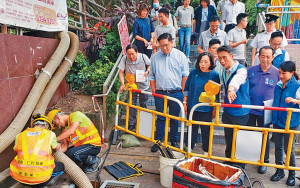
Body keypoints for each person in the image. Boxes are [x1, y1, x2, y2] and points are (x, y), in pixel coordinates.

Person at [149, 33, 189, 152]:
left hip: (176, 92)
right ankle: (159, 141)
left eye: (166, 45)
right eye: (161, 46)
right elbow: (151, 76)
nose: (164, 48)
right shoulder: (155, 57)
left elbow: (185, 75)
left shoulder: (180, 56)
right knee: (160, 117)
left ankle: (173, 141)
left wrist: (182, 91)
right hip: (160, 93)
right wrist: (154, 91)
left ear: (172, 42)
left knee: (174, 118)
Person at [247, 46, 280, 174]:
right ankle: (249, 158)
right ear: (258, 56)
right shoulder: (250, 71)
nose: (265, 59)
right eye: (263, 56)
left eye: (268, 57)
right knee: (249, 134)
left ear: (272, 58)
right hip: (250, 109)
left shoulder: (277, 72)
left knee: (264, 137)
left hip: (266, 111)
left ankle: (264, 161)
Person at [217, 46, 250, 167]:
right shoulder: (224, 70)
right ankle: (230, 159)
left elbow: (236, 80)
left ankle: (240, 164)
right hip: (228, 111)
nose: (222, 61)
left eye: (224, 57)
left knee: (239, 139)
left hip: (240, 112)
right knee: (229, 137)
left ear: (232, 56)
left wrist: (231, 89)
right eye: (220, 58)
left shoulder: (241, 70)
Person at [10, 114, 64, 187]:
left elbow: (16, 153)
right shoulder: (50, 134)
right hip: (41, 180)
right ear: (46, 125)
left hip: (21, 178)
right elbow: (56, 148)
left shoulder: (19, 135)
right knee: (61, 166)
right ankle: (47, 185)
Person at [270, 61, 300, 186]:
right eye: (280, 72)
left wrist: (295, 101)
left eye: (284, 73)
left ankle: (292, 173)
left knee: (289, 149)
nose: (281, 75)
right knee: (278, 147)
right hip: (278, 121)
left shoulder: (297, 85)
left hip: (291, 123)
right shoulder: (278, 84)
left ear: (292, 73)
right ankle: (279, 171)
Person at [183, 52, 220, 153]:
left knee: (206, 130)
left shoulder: (214, 75)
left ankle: (206, 150)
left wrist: (214, 109)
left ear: (210, 63)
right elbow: (186, 87)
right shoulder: (193, 73)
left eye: (205, 62)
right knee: (191, 127)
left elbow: (216, 94)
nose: (203, 64)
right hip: (192, 105)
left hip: (206, 108)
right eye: (201, 62)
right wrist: (185, 103)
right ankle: (189, 147)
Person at [118, 44, 150, 130]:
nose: (131, 56)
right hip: (132, 87)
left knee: (143, 104)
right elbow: (121, 72)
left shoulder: (143, 57)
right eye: (129, 54)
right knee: (132, 105)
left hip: (143, 86)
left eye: (133, 54)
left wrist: (147, 71)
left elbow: (150, 65)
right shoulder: (124, 59)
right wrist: (122, 84)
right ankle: (132, 123)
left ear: (137, 52)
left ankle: (143, 123)